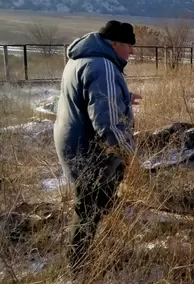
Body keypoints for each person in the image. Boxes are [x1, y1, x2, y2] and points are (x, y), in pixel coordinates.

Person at [53, 20, 141, 272]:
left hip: (72, 139)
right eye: (128, 46)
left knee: (97, 199)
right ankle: (79, 268)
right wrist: (131, 156)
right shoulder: (102, 66)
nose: (131, 52)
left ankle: (103, 244)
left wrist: (124, 95)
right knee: (88, 208)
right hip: (87, 147)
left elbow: (87, 96)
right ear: (114, 44)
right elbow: (109, 125)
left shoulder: (82, 58)